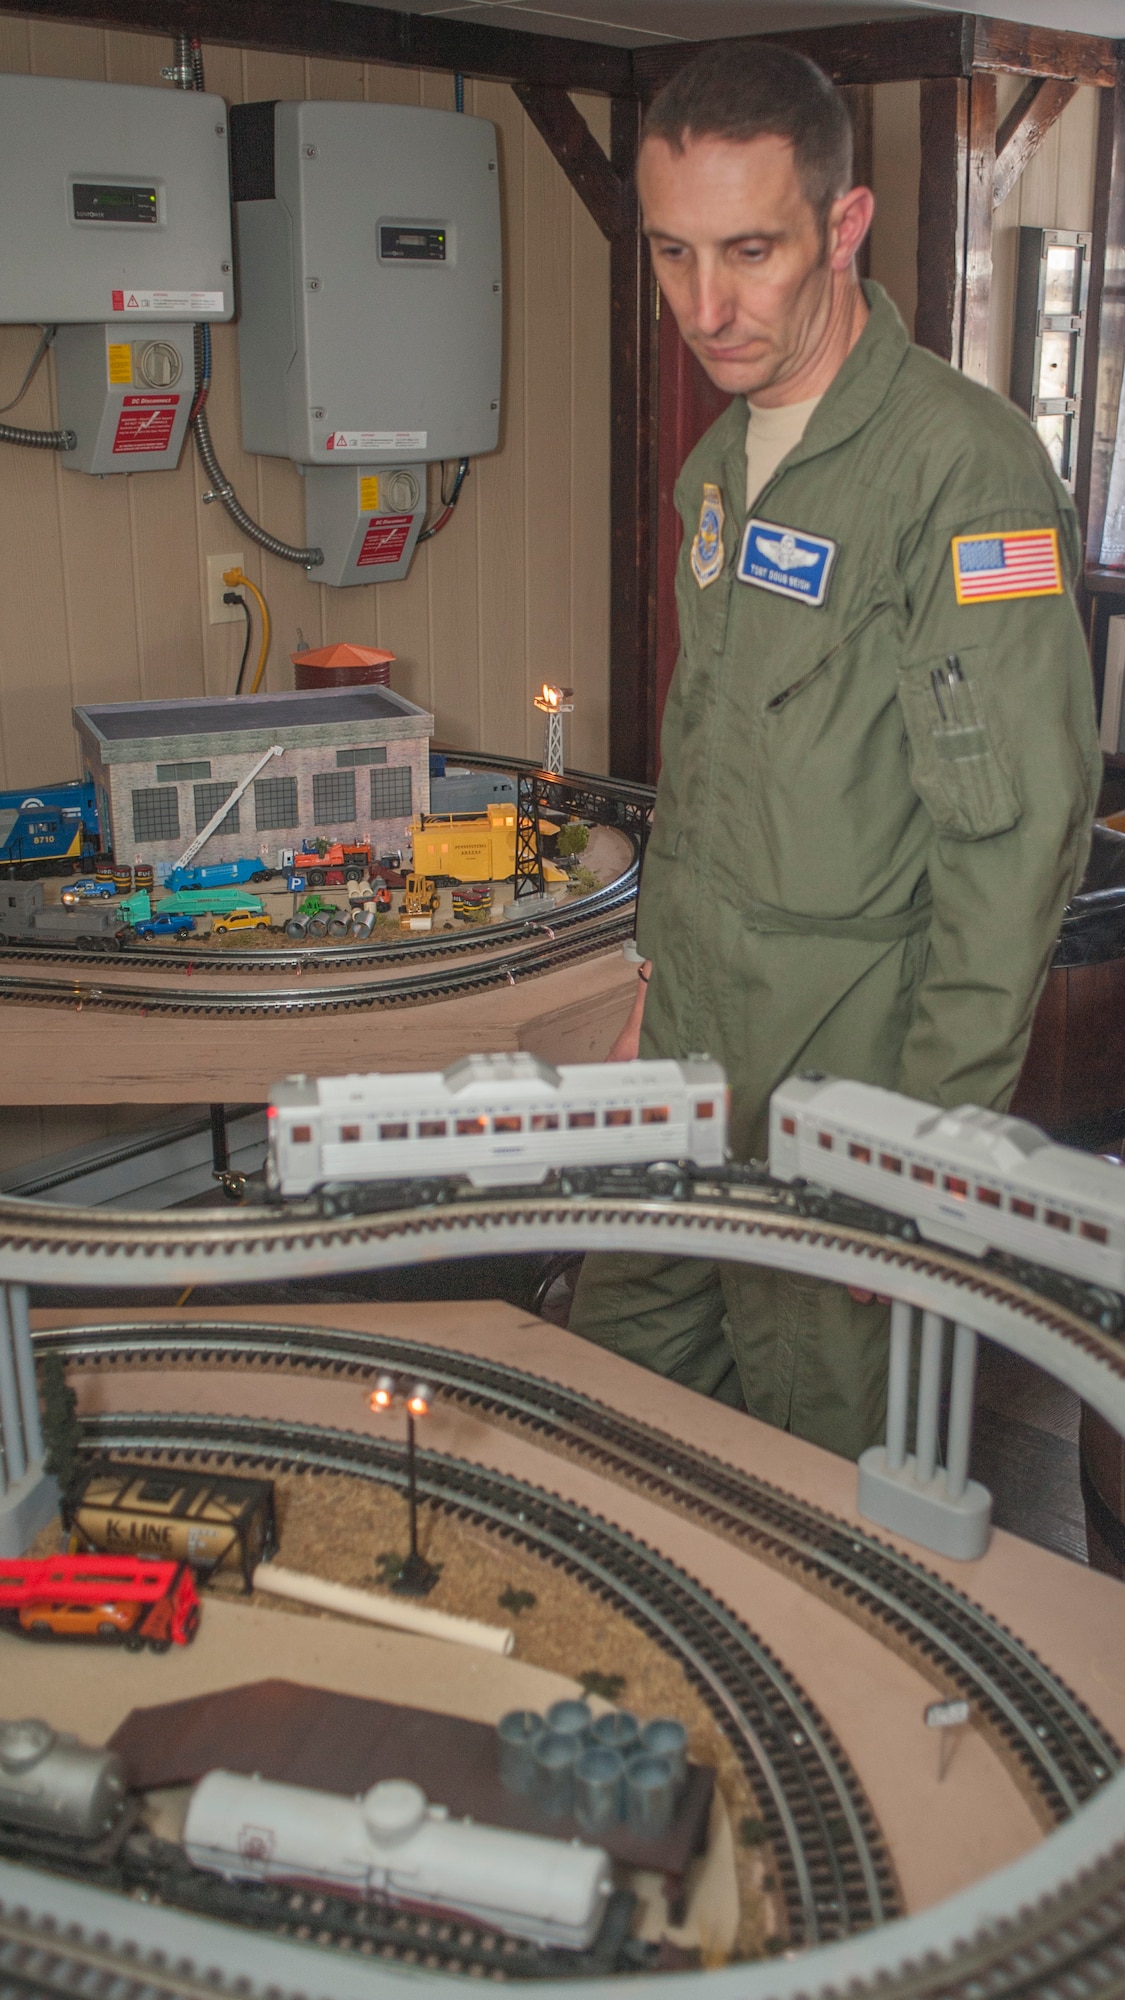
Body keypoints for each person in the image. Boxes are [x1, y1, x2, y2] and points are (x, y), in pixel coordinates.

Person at [569, 42, 1101, 1459]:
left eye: (749, 250)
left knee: (817, 1461)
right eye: (673, 254)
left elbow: (1012, 833)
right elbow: (707, 753)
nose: (704, 305)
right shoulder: (717, 466)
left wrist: (927, 1136)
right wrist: (652, 983)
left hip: (849, 1052)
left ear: (842, 227)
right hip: (697, 1033)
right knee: (613, 1391)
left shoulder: (962, 475)